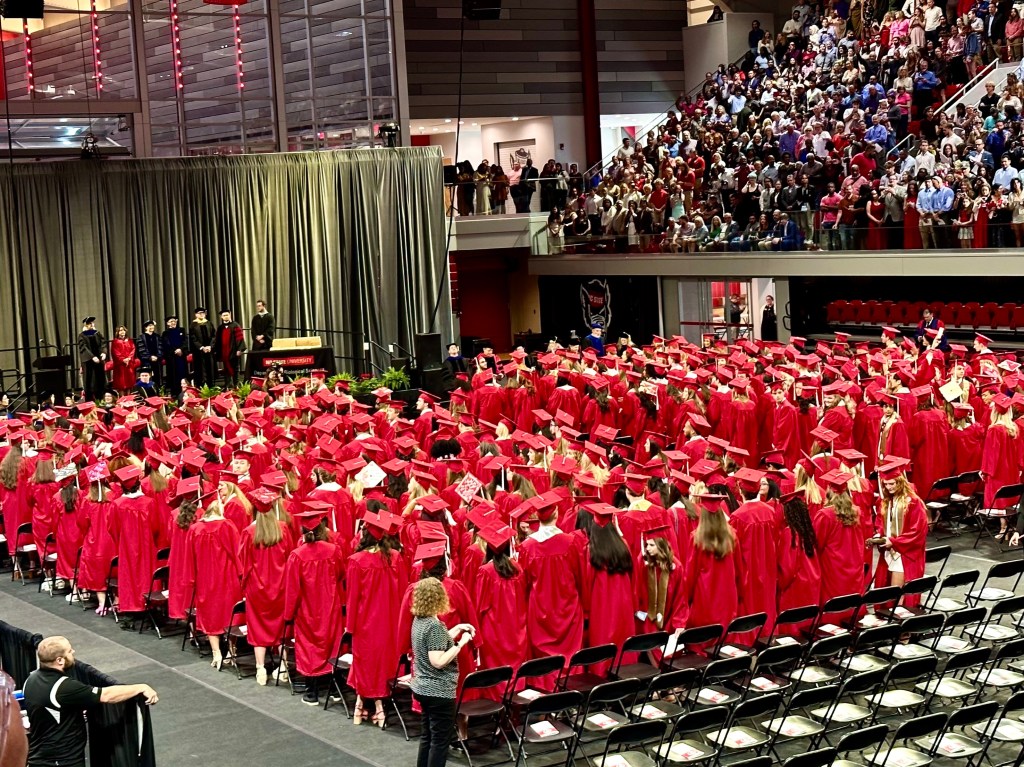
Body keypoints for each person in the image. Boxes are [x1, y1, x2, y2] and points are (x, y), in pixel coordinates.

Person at [23, 636, 157, 767]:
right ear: (60, 660)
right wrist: (141, 687)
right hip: (62, 760)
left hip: (38, 757)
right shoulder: (63, 686)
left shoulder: (30, 680)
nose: (73, 652)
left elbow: (51, 710)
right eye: (69, 651)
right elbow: (107, 695)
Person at [345, 507, 407, 726]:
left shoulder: (356, 561)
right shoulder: (395, 558)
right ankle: (376, 708)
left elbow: (353, 598)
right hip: (390, 622)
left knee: (366, 663)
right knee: (382, 664)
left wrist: (350, 626)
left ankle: (363, 707)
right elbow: (404, 593)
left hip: (366, 623)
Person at [409, 577, 473, 767]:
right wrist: (461, 644)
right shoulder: (434, 626)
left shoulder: (419, 621)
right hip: (438, 691)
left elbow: (436, 643)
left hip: (422, 687)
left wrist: (457, 628)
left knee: (427, 736)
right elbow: (437, 661)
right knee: (439, 741)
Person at [283, 511, 345, 704]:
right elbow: (341, 574)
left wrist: (288, 615)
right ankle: (334, 690)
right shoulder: (334, 550)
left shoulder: (296, 556)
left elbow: (292, 589)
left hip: (307, 610)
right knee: (332, 645)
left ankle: (312, 693)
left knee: (310, 648)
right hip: (330, 606)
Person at [238, 489, 292, 686]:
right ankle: (283, 666)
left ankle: (260, 668)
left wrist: (245, 585)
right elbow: (289, 556)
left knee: (258, 627)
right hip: (280, 586)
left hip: (257, 588)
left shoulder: (249, 532)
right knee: (281, 626)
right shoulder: (282, 528)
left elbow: (244, 563)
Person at [183, 494, 242, 671]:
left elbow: (189, 557)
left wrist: (191, 578)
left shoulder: (195, 529)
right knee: (229, 613)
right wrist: (241, 572)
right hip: (227, 577)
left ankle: (216, 652)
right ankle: (231, 651)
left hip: (205, 578)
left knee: (210, 614)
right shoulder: (227, 526)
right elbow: (236, 552)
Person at [212, 309, 246, 388]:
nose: (226, 317)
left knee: (235, 368)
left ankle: (236, 384)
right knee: (226, 369)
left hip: (233, 351)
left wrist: (239, 349)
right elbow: (217, 341)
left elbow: (239, 338)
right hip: (224, 352)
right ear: (221, 317)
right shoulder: (220, 328)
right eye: (224, 315)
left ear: (230, 315)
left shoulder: (235, 325)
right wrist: (216, 350)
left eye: (227, 315)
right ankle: (227, 385)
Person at [77, 317, 107, 401]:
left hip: (99, 361)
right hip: (88, 363)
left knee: (100, 381)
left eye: (92, 323)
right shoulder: (82, 335)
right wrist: (92, 357)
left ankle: (101, 400)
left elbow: (103, 343)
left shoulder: (97, 333)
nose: (92, 324)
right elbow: (83, 348)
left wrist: (104, 352)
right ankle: (90, 402)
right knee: (90, 383)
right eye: (90, 323)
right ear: (86, 325)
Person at [161, 315, 188, 396]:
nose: (173, 323)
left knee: (182, 374)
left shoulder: (182, 330)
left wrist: (181, 349)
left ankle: (184, 392)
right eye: (171, 321)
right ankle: (175, 394)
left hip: (181, 356)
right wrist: (174, 351)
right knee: (173, 375)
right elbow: (165, 345)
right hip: (171, 357)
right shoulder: (165, 333)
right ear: (167, 323)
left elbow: (185, 342)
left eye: (174, 321)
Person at [189, 308, 215, 387]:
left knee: (210, 368)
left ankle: (211, 386)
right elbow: (193, 338)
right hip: (198, 352)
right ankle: (200, 387)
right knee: (200, 369)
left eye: (203, 313)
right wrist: (201, 347)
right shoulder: (193, 325)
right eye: (199, 313)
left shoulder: (209, 323)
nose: (201, 314)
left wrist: (210, 346)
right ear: (196, 315)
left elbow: (214, 336)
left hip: (209, 350)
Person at [135, 320, 163, 390]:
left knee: (157, 378)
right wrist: (150, 357)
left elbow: (160, 347)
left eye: (152, 325)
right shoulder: (141, 337)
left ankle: (157, 391)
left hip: (157, 361)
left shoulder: (157, 336)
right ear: (146, 327)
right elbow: (141, 349)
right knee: (147, 378)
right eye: (149, 326)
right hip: (146, 361)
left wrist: (158, 356)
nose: (151, 327)